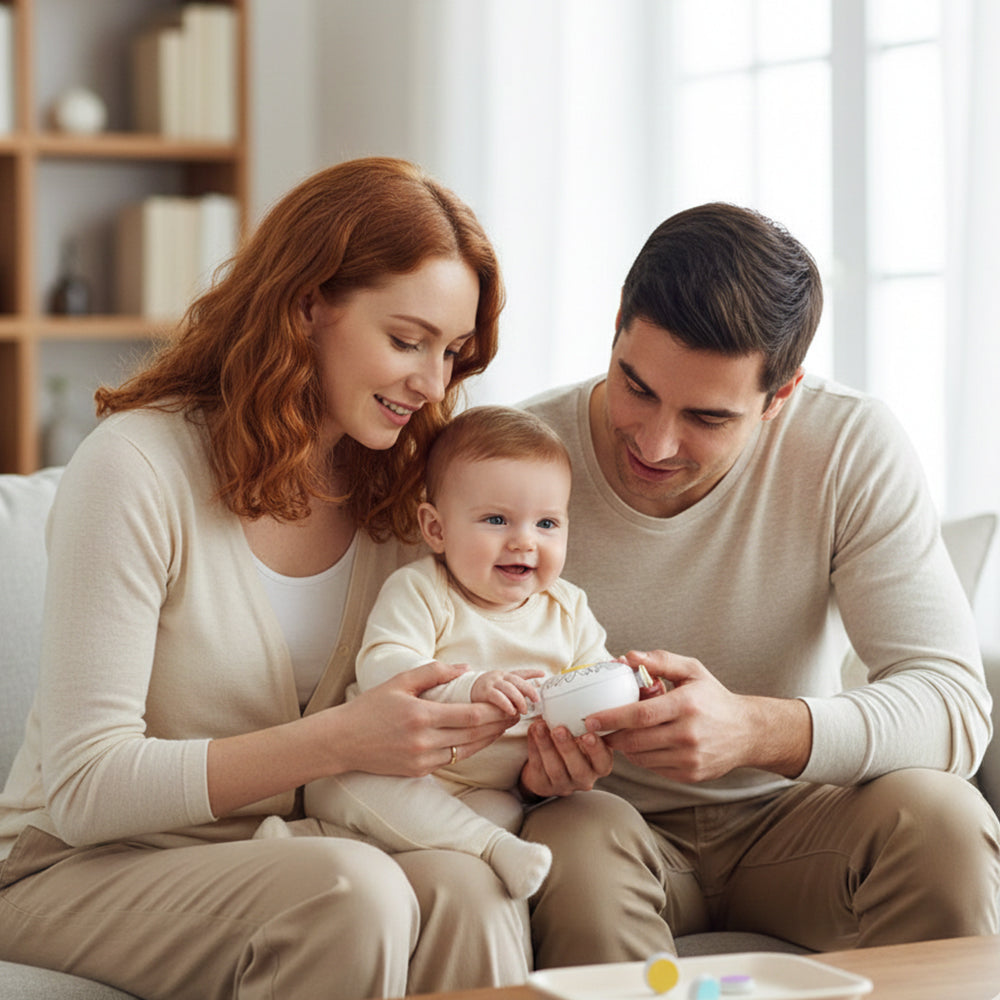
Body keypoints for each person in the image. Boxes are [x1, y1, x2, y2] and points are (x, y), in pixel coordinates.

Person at [0, 157, 532, 1000]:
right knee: (349, 893)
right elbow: (84, 788)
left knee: (473, 886)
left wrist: (533, 754)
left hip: (296, 851)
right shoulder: (135, 468)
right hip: (77, 868)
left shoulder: (405, 491)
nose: (432, 383)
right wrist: (340, 740)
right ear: (307, 304)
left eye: (452, 353)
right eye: (406, 341)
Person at [517, 202, 1000, 964]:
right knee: (573, 842)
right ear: (616, 327)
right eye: (636, 387)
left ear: (781, 396)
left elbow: (954, 705)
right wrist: (528, 769)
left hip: (797, 822)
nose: (655, 443)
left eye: (707, 417)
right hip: (606, 822)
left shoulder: (846, 444)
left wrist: (753, 730)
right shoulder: (516, 459)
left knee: (944, 820)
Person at [260, 405, 611, 901]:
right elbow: (383, 664)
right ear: (436, 529)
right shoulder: (424, 590)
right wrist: (469, 686)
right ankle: (491, 848)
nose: (524, 541)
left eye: (547, 523)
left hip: (480, 792)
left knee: (505, 811)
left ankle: (298, 843)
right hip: (377, 767)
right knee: (365, 790)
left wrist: (629, 691)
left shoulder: (568, 609)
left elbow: (596, 676)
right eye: (497, 520)